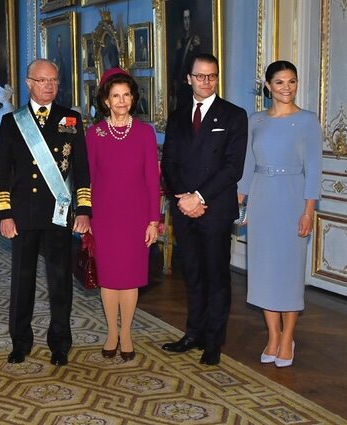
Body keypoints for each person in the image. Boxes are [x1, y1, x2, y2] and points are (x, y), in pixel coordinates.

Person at [0, 58, 91, 367]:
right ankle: (20, 342)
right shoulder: (13, 122)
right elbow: (3, 173)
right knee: (22, 281)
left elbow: (82, 170)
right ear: (28, 83)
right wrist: (4, 214)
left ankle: (60, 343)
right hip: (23, 214)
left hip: (58, 213)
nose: (48, 86)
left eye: (53, 80)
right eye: (42, 80)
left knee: (60, 281)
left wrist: (84, 209)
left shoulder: (70, 120)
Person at [160, 53, 247, 366]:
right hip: (184, 208)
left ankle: (214, 341)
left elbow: (232, 168)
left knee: (216, 276)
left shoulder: (234, 116)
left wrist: (198, 196)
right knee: (192, 274)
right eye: (200, 76)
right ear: (189, 79)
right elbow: (168, 162)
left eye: (211, 76)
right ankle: (193, 333)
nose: (206, 81)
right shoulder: (177, 117)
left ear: (217, 78)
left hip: (215, 208)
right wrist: (183, 198)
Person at [236, 60, 321, 368]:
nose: (287, 87)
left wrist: (308, 212)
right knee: (264, 272)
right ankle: (272, 335)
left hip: (292, 198)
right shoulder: (255, 120)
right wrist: (240, 203)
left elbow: (313, 169)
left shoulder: (308, 121)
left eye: (292, 81)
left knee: (288, 272)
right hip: (262, 198)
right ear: (268, 86)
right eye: (281, 82)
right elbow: (246, 165)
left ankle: (288, 338)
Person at [86, 68, 160, 362]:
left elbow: (153, 180)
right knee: (109, 278)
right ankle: (111, 333)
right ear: (105, 100)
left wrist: (154, 220)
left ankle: (126, 333)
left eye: (126, 95)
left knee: (130, 278)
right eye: (115, 95)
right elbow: (87, 179)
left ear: (133, 98)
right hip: (104, 215)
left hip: (136, 215)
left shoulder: (145, 132)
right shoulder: (94, 134)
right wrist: (86, 216)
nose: (121, 100)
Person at [170, 9, 202, 111]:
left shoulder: (195, 41)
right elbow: (177, 66)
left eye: (188, 18)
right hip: (181, 87)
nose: (187, 21)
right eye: (184, 18)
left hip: (191, 88)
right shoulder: (180, 42)